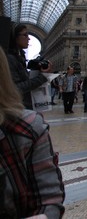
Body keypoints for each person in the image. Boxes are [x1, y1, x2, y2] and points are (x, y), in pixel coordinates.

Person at [0, 48, 65, 218]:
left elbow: (49, 201)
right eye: (25, 36)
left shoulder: (27, 128)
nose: (28, 40)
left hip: (22, 110)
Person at [6, 23, 53, 110]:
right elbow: (16, 88)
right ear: (14, 37)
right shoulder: (10, 59)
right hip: (18, 108)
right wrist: (42, 77)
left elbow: (24, 80)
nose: (29, 38)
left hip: (24, 106)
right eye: (25, 35)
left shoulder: (19, 57)